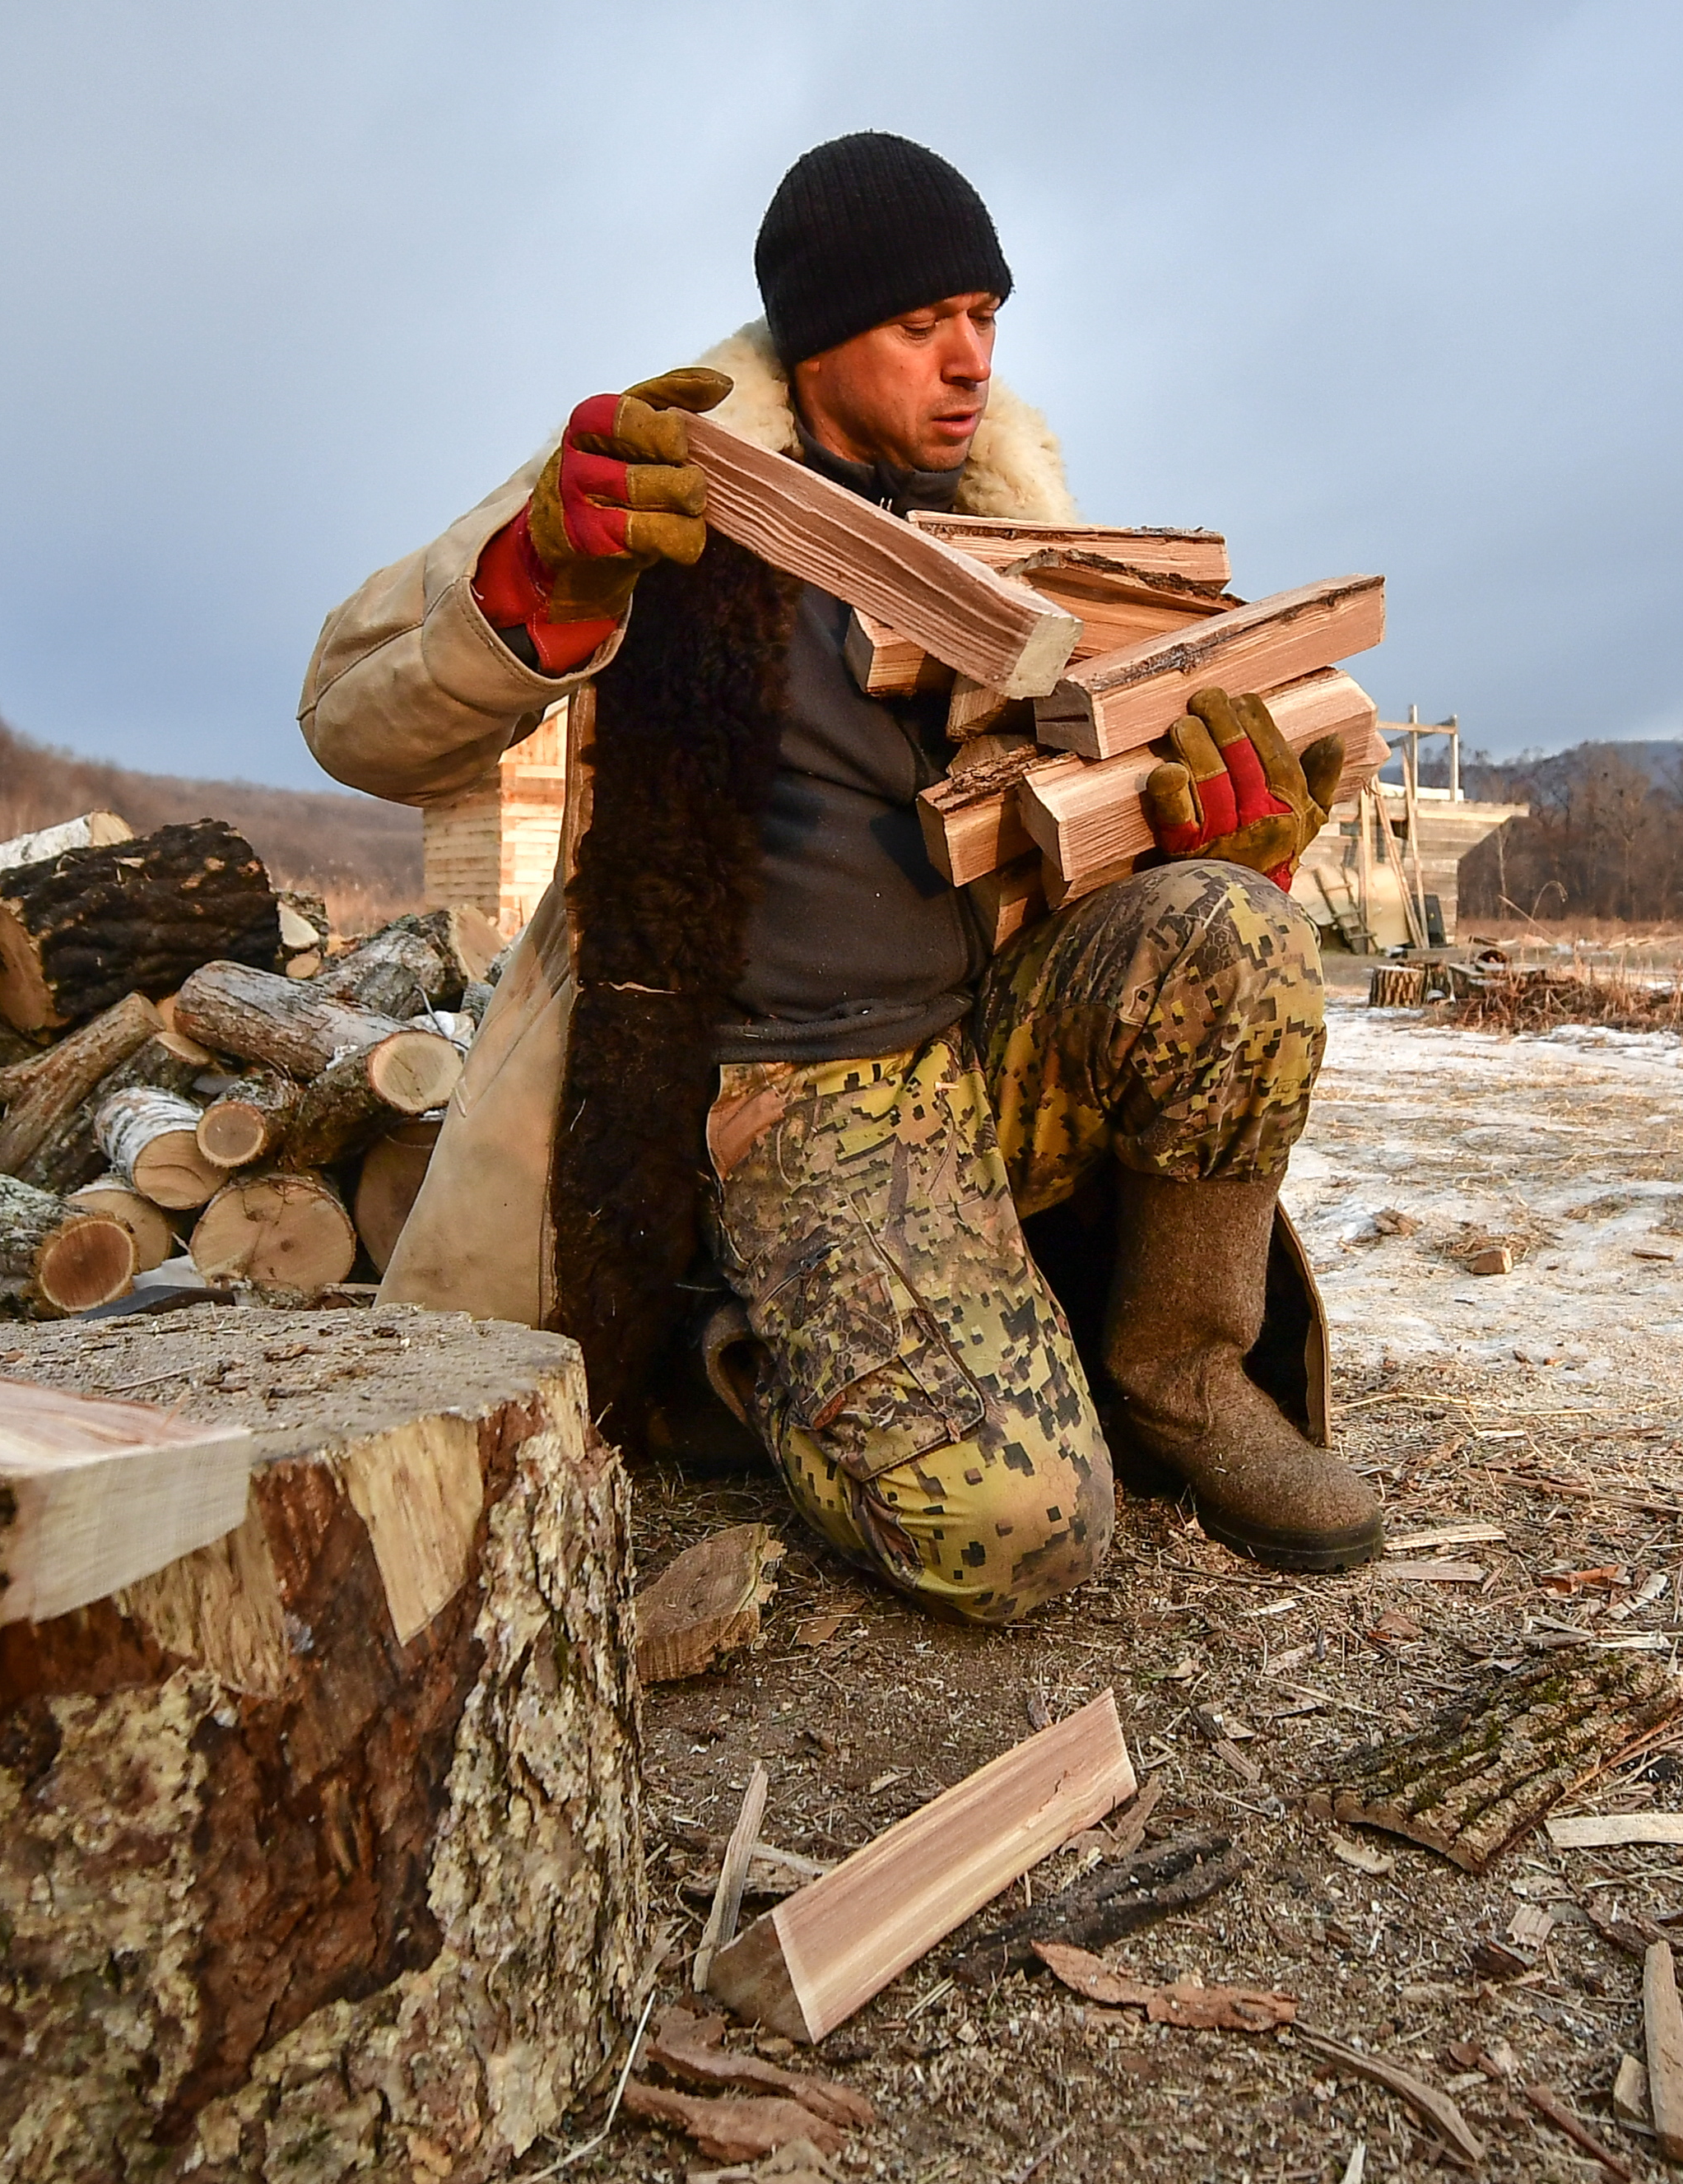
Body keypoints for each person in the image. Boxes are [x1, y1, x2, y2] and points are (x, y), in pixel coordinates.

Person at [299, 132, 1381, 1622]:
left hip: (981, 1038)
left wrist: (1189, 832)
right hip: (789, 1090)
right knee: (1026, 1542)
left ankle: (1183, 1372)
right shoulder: (672, 479)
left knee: (1233, 930)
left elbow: (1078, 804)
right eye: (921, 324)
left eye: (987, 320)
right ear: (814, 342)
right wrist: (539, 582)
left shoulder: (1009, 520)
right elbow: (352, 713)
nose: (969, 363)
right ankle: (732, 1366)